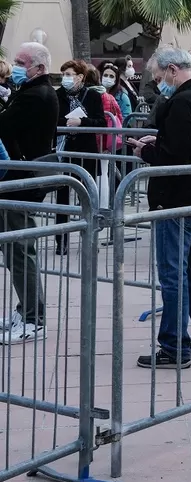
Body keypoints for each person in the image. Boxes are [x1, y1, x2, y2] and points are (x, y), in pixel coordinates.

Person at [126, 46, 191, 371]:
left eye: (157, 77)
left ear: (171, 69)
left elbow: (176, 156)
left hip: (177, 200)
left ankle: (173, 345)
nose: (157, 84)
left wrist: (147, 154)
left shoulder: (183, 101)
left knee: (174, 273)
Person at [0, 42, 58, 344]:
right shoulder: (31, 92)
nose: (16, 65)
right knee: (14, 249)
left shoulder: (37, 95)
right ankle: (25, 311)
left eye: (22, 62)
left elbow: (4, 124)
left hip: (23, 182)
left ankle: (34, 318)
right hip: (19, 178)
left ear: (38, 67)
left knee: (21, 250)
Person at [55, 59, 106, 255]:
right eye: (63, 75)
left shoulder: (91, 95)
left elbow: (101, 121)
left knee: (88, 197)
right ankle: (62, 240)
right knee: (62, 198)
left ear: (80, 77)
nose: (65, 79)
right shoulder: (57, 95)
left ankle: (91, 238)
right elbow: (53, 120)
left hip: (86, 152)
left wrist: (82, 122)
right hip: (64, 151)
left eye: (68, 75)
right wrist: (67, 122)